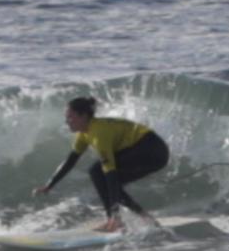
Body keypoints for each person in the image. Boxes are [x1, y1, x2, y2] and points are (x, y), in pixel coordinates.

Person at [33, 97, 169, 232]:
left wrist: (114, 212)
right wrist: (49, 185)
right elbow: (71, 160)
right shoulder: (85, 133)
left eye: (70, 117)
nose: (67, 121)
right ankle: (140, 217)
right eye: (66, 117)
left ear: (83, 116)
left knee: (99, 173)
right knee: (102, 176)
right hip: (147, 149)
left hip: (152, 149)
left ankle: (115, 220)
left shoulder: (99, 133)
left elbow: (110, 173)